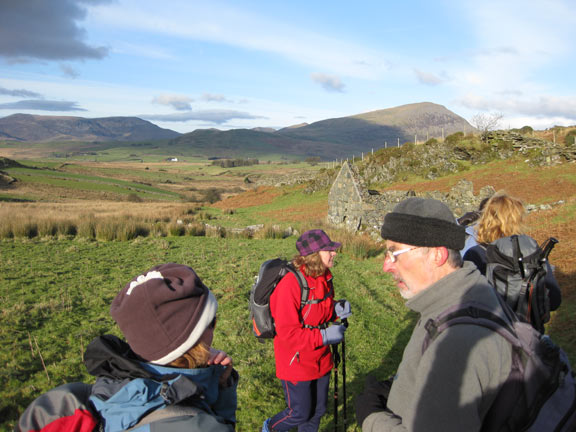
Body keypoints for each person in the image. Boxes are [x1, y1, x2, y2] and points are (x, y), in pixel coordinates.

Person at [16, 263, 238, 432]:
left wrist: (217, 385)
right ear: (191, 342)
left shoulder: (112, 390)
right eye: (212, 321)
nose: (215, 328)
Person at [355, 197, 513, 431]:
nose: (386, 266)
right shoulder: (453, 301)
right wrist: (401, 386)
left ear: (437, 255)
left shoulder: (458, 341)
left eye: (394, 253)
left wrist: (372, 418)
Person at [263, 229, 351, 432]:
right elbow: (287, 334)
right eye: (329, 249)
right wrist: (325, 335)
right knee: (300, 412)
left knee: (318, 410)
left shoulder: (324, 277)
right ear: (314, 255)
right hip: (296, 359)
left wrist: (336, 309)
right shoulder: (290, 285)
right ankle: (269, 428)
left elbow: (318, 311)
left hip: (321, 357)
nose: (334, 253)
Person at [462, 191, 561, 310]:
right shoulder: (532, 249)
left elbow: (464, 301)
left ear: (486, 219)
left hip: (493, 326)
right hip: (528, 326)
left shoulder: (476, 254)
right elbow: (554, 300)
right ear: (518, 219)